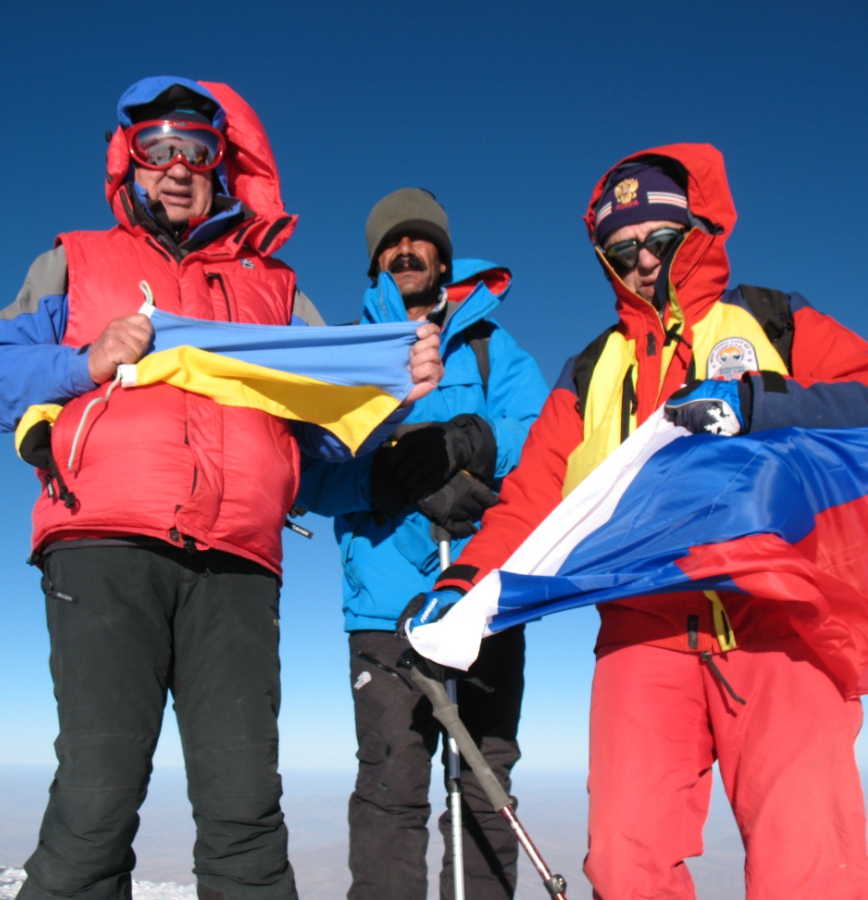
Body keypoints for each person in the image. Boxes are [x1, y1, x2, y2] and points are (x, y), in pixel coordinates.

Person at [0, 77, 442, 900]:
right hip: (104, 547)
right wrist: (84, 359)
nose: (177, 167)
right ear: (129, 163)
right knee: (96, 801)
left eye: (197, 150)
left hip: (239, 565)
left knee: (246, 809)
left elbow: (321, 426)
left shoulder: (277, 290)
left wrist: (393, 388)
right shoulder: (75, 261)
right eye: (157, 149)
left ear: (224, 165)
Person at [423, 144, 868, 899]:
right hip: (642, 628)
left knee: (807, 863)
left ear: (699, 226)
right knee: (625, 866)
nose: (644, 260)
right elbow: (531, 498)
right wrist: (460, 583)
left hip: (776, 614)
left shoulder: (771, 319)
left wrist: (757, 405)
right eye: (622, 250)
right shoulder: (591, 371)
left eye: (661, 237)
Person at [296, 189, 548, 900]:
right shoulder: (345, 351)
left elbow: (542, 443)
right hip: (383, 610)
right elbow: (307, 475)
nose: (405, 251)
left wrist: (471, 445)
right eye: (390, 243)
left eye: (419, 240)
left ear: (443, 253)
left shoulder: (496, 349)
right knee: (389, 789)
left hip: (480, 593)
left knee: (485, 777)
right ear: (376, 260)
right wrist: (381, 479)